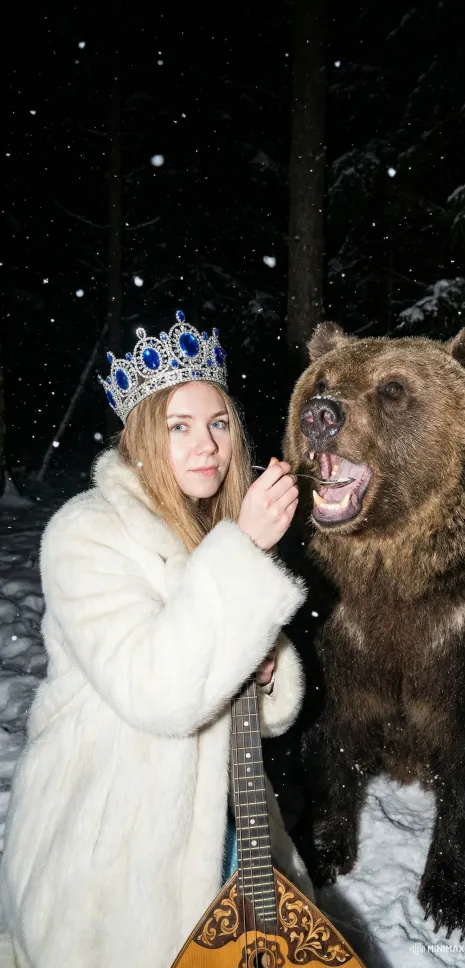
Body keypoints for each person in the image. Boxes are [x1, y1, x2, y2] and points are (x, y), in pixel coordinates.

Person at [0, 314, 311, 968]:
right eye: (180, 427)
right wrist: (245, 551)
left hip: (226, 825)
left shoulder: (216, 530)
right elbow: (160, 694)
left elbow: (274, 714)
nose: (208, 446)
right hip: (111, 850)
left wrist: (266, 671)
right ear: (143, 436)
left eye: (218, 423)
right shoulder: (84, 534)